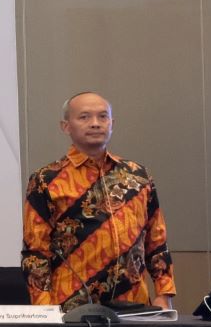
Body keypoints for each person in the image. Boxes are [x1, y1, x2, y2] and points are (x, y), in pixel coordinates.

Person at [22, 92, 176, 309]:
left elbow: (156, 239)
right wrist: (43, 308)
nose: (95, 123)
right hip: (70, 307)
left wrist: (164, 292)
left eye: (103, 117)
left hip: (133, 305)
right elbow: (36, 251)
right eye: (84, 117)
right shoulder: (46, 180)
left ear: (112, 124)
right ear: (66, 126)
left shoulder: (138, 176)